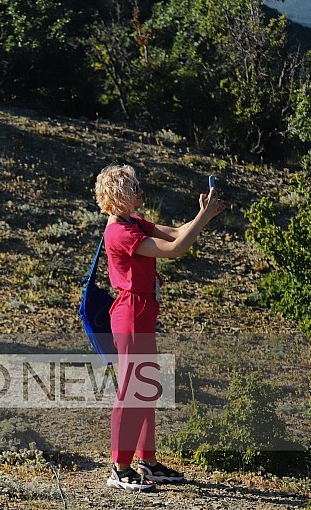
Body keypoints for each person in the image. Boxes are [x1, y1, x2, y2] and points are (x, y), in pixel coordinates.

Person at [94, 164, 224, 492]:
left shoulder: (132, 222)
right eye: (132, 187)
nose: (139, 191)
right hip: (132, 311)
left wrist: (203, 217)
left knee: (146, 388)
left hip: (142, 310)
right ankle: (120, 467)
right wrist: (203, 217)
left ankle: (147, 462)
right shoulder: (120, 231)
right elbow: (175, 249)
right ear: (118, 196)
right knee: (133, 391)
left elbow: (176, 232)